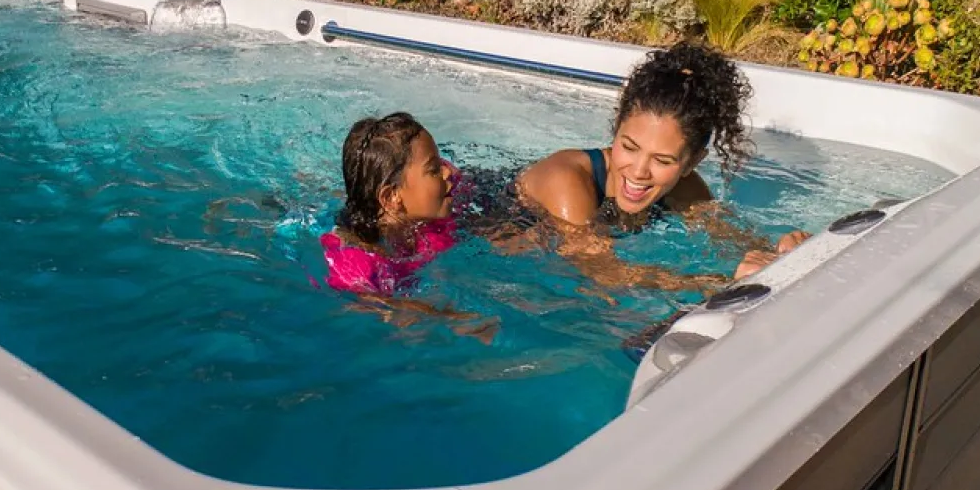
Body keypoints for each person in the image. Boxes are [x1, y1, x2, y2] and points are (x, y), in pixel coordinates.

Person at [516, 42, 809, 283]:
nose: (639, 171)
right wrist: (717, 283)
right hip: (495, 234)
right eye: (629, 147)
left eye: (663, 160)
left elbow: (729, 239)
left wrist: (781, 252)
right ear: (616, 130)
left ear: (691, 163)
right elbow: (602, 272)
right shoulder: (566, 178)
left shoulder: (683, 187)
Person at [321, 112, 461, 295]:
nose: (447, 172)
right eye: (434, 169)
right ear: (391, 197)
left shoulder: (433, 208)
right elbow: (373, 305)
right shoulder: (355, 259)